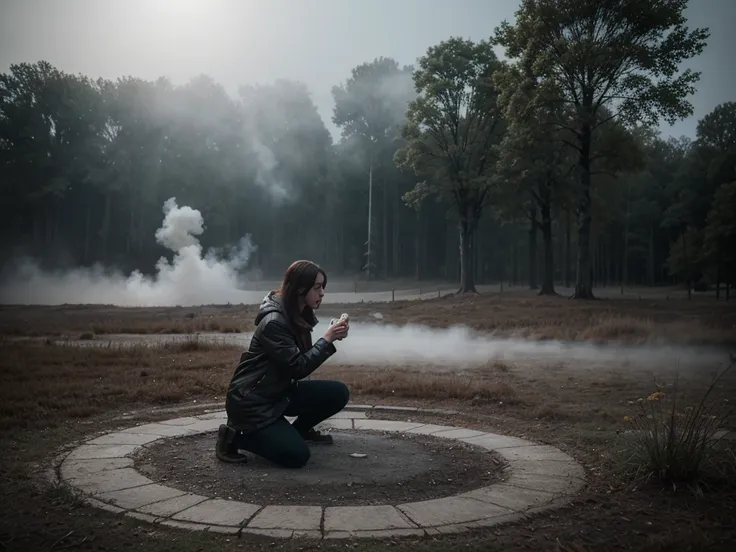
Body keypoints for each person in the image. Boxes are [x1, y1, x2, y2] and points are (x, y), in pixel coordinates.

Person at [216, 260, 351, 468]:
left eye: (323, 287)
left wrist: (331, 335)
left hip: (278, 391)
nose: (322, 293)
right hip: (252, 403)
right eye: (317, 287)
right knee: (297, 456)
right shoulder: (274, 322)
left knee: (338, 392)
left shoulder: (298, 313)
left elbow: (300, 358)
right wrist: (326, 340)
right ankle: (232, 437)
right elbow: (298, 367)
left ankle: (297, 432)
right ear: (299, 288)